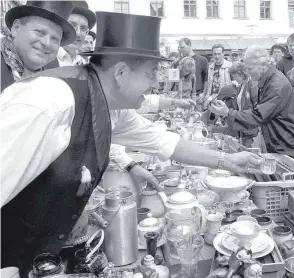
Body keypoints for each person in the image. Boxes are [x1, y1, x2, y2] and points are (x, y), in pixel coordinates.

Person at [0, 12, 261, 276]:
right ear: (121, 73)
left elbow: (163, 140)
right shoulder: (50, 102)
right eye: (151, 74)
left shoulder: (107, 102)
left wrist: (226, 161)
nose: (156, 84)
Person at [209, 45, 294, 161]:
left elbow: (259, 116)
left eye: (249, 68)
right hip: (286, 143)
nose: (246, 72)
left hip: (292, 145)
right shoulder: (269, 80)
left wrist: (228, 113)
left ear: (262, 65)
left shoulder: (276, 85)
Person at [1, 1, 76, 92]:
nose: (47, 43)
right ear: (16, 28)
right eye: (40, 32)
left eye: (55, 39)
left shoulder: (54, 75)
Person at [57, 1, 95, 66]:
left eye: (83, 28)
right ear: (60, 27)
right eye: (72, 25)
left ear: (87, 32)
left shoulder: (83, 64)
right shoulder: (46, 60)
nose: (78, 33)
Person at [202, 44, 232, 109]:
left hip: (225, 102)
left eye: (219, 54)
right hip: (212, 101)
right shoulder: (210, 68)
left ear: (223, 54)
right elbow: (208, 85)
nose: (217, 56)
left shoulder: (230, 67)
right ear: (212, 54)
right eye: (215, 54)